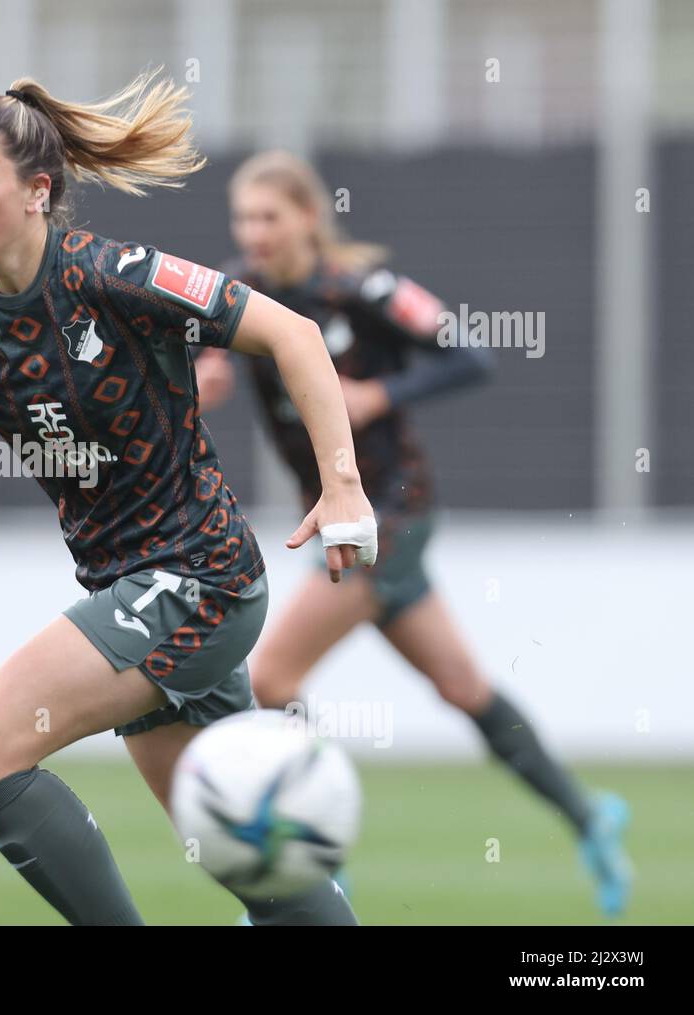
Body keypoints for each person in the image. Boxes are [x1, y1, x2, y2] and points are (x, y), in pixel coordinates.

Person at [0, 71, 380, 926]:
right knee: (250, 855)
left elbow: (293, 333)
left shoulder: (114, 275)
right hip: (131, 591)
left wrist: (343, 484)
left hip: (199, 578)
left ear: (38, 192)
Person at [194, 149, 633, 917]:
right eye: (244, 217)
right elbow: (189, 346)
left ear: (307, 216)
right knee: (462, 686)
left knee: (272, 680)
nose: (254, 231)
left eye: (269, 215)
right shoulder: (242, 293)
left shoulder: (361, 289)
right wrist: (201, 372)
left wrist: (379, 393)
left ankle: (308, 864)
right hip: (345, 514)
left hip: (389, 513)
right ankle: (591, 816)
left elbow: (470, 354)